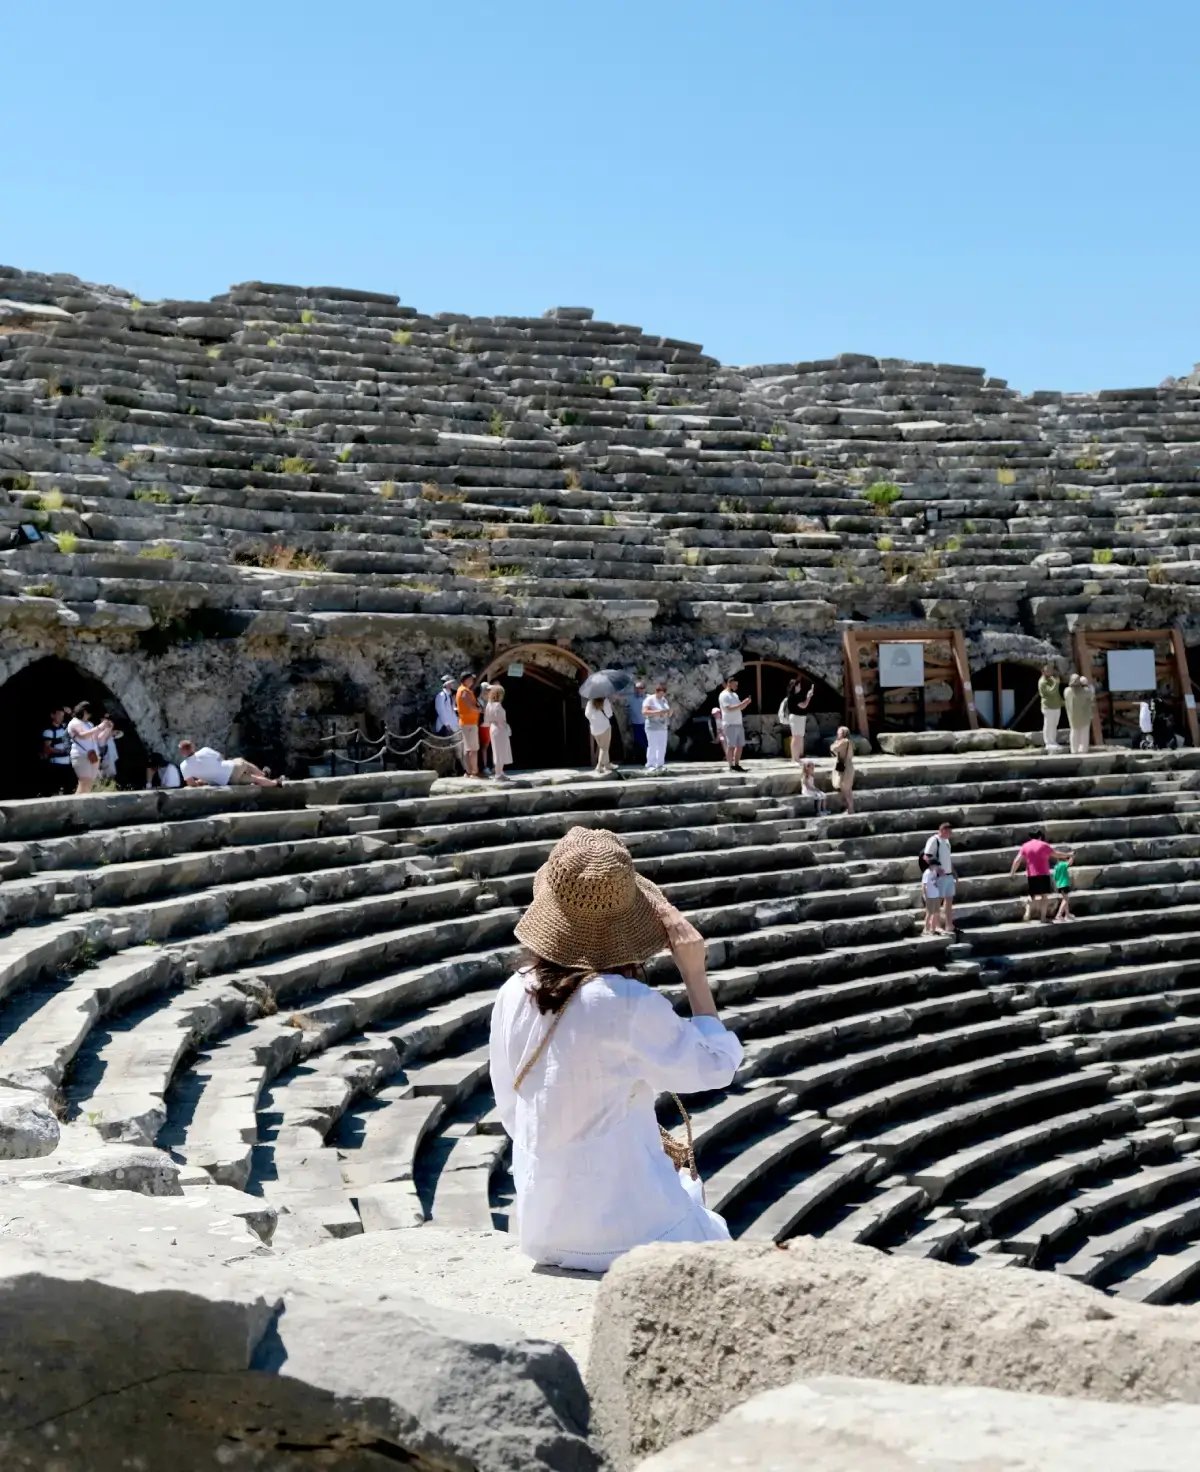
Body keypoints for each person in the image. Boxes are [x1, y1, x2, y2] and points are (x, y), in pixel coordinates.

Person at [489, 825, 743, 1270]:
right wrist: (694, 973)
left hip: (544, 1227)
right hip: (629, 1231)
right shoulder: (625, 1003)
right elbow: (717, 1066)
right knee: (711, 1235)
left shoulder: (513, 992)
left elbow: (512, 1110)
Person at [1010, 827, 1074, 922]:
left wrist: (1012, 873)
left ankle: (1028, 912)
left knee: (1032, 895)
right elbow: (1056, 854)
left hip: (1031, 874)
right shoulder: (1044, 845)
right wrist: (1068, 855)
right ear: (1040, 836)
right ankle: (1043, 918)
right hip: (1043, 874)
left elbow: (1017, 860)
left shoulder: (1025, 846)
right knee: (1044, 896)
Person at [177, 739, 280, 788]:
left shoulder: (184, 766)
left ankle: (275, 783)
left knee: (253, 779)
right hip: (231, 769)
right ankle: (266, 776)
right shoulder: (205, 750)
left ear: (182, 752)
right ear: (193, 747)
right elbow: (221, 758)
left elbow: (191, 783)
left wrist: (201, 782)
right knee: (242, 762)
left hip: (227, 781)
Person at [66, 701, 114, 795]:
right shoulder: (74, 723)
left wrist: (107, 729)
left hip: (92, 756)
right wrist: (99, 727)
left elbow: (98, 739)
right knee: (84, 782)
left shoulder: (89, 724)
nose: (89, 716)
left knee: (89, 785)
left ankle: (80, 802)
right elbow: (82, 735)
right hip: (81, 756)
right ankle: (76, 802)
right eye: (88, 713)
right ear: (83, 712)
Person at [922, 821, 956, 935]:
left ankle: (949, 925)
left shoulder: (946, 841)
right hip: (939, 876)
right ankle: (935, 926)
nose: (950, 834)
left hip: (948, 875)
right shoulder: (934, 840)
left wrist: (954, 872)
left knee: (949, 900)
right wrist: (937, 869)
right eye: (949, 832)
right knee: (938, 902)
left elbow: (947, 858)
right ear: (942, 830)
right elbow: (926, 856)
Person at [718, 677, 751, 771]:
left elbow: (740, 707)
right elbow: (729, 708)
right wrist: (742, 703)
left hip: (738, 723)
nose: (736, 686)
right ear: (729, 683)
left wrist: (746, 703)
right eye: (735, 684)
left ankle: (737, 764)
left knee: (740, 745)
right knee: (731, 745)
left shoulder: (735, 695)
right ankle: (730, 765)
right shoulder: (723, 695)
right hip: (730, 723)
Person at [454, 671, 482, 778]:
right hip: (469, 723)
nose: (472, 681)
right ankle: (474, 772)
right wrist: (480, 710)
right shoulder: (464, 691)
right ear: (465, 680)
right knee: (473, 749)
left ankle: (468, 771)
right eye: (470, 679)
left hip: (466, 722)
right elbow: (470, 707)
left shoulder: (462, 690)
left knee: (467, 748)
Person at [483, 683, 513, 780]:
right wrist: (507, 728)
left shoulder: (489, 705)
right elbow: (500, 720)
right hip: (500, 729)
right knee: (501, 751)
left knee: (496, 751)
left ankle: (499, 772)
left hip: (492, 727)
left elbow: (487, 718)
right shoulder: (498, 705)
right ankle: (498, 773)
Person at [41, 705, 72, 795]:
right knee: (55, 790)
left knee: (68, 790)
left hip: (67, 764)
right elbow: (47, 749)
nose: (61, 717)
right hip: (56, 765)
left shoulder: (65, 728)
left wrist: (70, 713)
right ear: (52, 715)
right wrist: (62, 751)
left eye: (62, 715)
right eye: (59, 715)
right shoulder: (48, 731)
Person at [784, 676, 814, 764]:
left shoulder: (797, 696)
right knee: (795, 737)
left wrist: (807, 697)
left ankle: (797, 757)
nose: (800, 687)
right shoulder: (793, 696)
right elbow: (803, 705)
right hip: (796, 718)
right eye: (798, 686)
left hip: (800, 718)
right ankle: (794, 758)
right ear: (795, 686)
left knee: (799, 738)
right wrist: (808, 697)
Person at [642, 682, 671, 774]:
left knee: (662, 746)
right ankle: (650, 765)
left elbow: (666, 711)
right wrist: (658, 712)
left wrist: (669, 713)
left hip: (663, 726)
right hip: (652, 726)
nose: (661, 694)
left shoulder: (664, 700)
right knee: (653, 746)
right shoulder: (649, 699)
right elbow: (644, 712)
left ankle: (660, 765)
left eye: (663, 692)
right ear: (656, 691)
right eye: (660, 692)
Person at [1064, 674, 1095, 755]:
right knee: (1084, 733)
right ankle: (1083, 749)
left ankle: (1074, 750)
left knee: (1074, 732)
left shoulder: (1067, 691)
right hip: (1085, 716)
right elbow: (1092, 696)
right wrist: (1086, 684)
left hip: (1072, 716)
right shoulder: (1086, 691)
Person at [830, 726, 855, 815]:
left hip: (845, 766)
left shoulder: (845, 741)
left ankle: (850, 809)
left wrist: (834, 744)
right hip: (845, 765)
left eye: (839, 732)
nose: (838, 734)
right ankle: (849, 809)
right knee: (847, 789)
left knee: (846, 789)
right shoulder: (848, 742)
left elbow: (833, 748)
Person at [1039, 665, 1064, 752]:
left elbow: (1056, 693)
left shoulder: (1051, 680)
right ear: (1043, 672)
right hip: (1048, 707)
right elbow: (1051, 692)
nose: (1050, 672)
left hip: (1056, 706)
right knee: (1048, 724)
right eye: (1047, 671)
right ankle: (1048, 743)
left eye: (1050, 671)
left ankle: (1053, 741)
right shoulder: (1042, 682)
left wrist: (1062, 702)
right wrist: (1056, 683)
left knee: (1054, 724)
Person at [586, 697, 614, 775]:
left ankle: (607, 764)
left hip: (594, 728)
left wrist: (594, 718)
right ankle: (599, 766)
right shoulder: (605, 701)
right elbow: (609, 714)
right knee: (604, 748)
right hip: (604, 727)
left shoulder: (590, 702)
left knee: (602, 746)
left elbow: (587, 714)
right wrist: (611, 706)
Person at [626, 680, 648, 758]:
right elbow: (627, 710)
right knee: (639, 742)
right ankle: (642, 758)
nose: (639, 690)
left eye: (641, 688)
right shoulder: (630, 698)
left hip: (648, 724)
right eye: (637, 688)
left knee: (648, 741)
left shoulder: (649, 698)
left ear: (644, 689)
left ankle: (650, 758)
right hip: (636, 724)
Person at [1053, 849, 1076, 922]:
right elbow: (1070, 863)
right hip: (1064, 884)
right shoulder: (1063, 864)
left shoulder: (1056, 867)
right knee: (1066, 900)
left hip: (1059, 885)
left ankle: (1067, 915)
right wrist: (1072, 856)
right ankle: (1059, 915)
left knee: (1065, 899)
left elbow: (1055, 878)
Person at [921, 863, 944, 934]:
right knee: (929, 913)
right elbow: (924, 885)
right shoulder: (927, 873)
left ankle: (933, 929)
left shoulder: (934, 872)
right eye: (936, 865)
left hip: (936, 895)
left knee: (936, 912)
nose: (937, 866)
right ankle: (926, 929)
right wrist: (925, 896)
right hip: (930, 896)